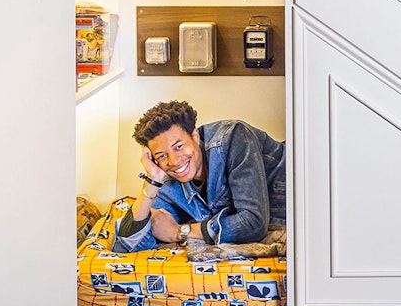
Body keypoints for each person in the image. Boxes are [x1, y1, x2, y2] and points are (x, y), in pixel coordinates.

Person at [115, 100, 286, 252]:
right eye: (161, 155)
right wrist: (151, 181)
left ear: (195, 136)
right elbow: (126, 245)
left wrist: (179, 231)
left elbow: (253, 224)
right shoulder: (167, 181)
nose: (173, 161)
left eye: (179, 146)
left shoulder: (234, 137)